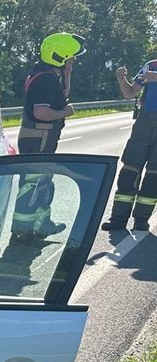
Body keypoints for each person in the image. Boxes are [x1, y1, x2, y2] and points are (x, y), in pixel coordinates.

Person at [12, 33, 86, 241]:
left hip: (40, 137)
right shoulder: (45, 79)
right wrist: (65, 113)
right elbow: (41, 113)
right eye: (71, 57)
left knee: (42, 182)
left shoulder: (44, 73)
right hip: (39, 137)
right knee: (33, 184)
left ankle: (41, 225)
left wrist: (68, 73)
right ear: (60, 56)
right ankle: (24, 232)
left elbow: (61, 94)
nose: (74, 60)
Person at [102, 60, 157, 231]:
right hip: (144, 123)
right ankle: (118, 220)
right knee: (129, 171)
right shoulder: (152, 65)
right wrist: (121, 78)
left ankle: (141, 220)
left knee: (153, 176)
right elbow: (130, 93)